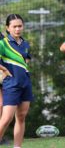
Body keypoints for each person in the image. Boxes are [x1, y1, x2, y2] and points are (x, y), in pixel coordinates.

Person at [0, 14, 34, 148]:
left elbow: (26, 60)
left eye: (20, 26)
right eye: (14, 26)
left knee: (21, 117)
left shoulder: (25, 43)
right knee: (6, 118)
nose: (17, 29)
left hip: (26, 84)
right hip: (11, 85)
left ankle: (17, 146)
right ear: (8, 28)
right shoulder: (3, 43)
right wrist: (5, 70)